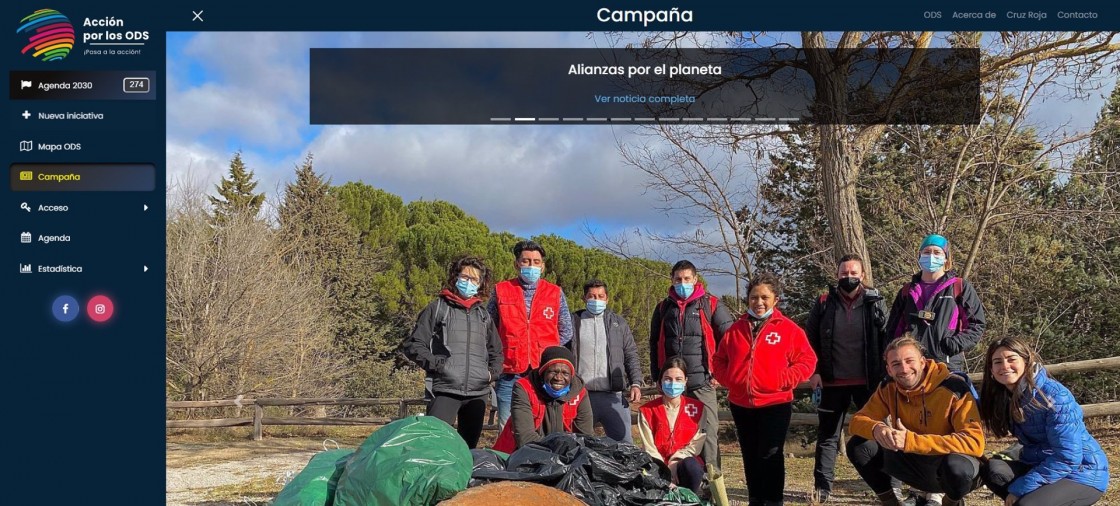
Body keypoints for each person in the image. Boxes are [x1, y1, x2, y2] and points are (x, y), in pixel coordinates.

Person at [713, 272, 817, 506]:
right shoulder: (735, 329)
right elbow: (719, 360)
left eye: (764, 297)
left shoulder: (788, 329)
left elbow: (807, 360)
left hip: (775, 403)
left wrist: (785, 378)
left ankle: (773, 500)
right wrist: (730, 379)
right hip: (741, 403)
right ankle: (755, 498)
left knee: (770, 454)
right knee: (750, 455)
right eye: (753, 297)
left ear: (775, 299)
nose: (758, 302)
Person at [846, 336, 985, 506]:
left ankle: (951, 502)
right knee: (859, 445)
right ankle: (891, 503)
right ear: (889, 370)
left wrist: (911, 440)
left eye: (909, 361)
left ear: (922, 362)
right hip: (913, 465)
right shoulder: (888, 387)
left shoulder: (954, 388)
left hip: (948, 468)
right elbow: (857, 421)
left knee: (956, 467)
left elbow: (974, 442)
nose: (904, 369)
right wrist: (877, 429)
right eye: (896, 364)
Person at [977, 337, 1109, 506]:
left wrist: (1020, 489)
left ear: (1026, 361)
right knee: (994, 470)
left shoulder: (1053, 395)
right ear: (991, 369)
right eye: (997, 362)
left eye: (1011, 359)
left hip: (1082, 472)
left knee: (1026, 504)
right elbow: (975, 405)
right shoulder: (1003, 395)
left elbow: (1068, 457)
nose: (1004, 366)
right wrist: (958, 381)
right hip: (1040, 463)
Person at [805, 254, 890, 502]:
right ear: (837, 275)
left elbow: (888, 339)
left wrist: (888, 375)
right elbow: (809, 341)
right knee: (828, 436)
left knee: (882, 432)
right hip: (832, 382)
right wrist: (815, 371)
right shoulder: (823, 303)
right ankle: (823, 488)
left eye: (854, 273)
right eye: (844, 273)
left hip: (869, 381)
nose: (849, 277)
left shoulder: (876, 302)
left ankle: (890, 484)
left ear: (863, 275)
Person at [402, 255, 503, 449]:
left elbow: (496, 352)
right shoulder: (438, 307)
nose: (468, 282)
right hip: (444, 390)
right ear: (455, 277)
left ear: (480, 283)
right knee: (434, 445)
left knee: (468, 449)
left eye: (474, 279)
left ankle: (465, 481)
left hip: (477, 393)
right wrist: (438, 366)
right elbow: (414, 345)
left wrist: (491, 374)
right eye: (464, 277)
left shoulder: (483, 315)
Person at [650, 260, 734, 466]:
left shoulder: (711, 304)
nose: (682, 283)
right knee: (674, 433)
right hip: (672, 383)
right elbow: (655, 343)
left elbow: (730, 340)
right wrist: (657, 376)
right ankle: (680, 482)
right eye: (678, 279)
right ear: (672, 280)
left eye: (687, 279)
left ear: (695, 279)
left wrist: (721, 373)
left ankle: (713, 484)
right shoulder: (663, 308)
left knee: (709, 433)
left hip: (702, 381)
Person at [488, 240, 573, 428]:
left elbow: (566, 329)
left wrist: (548, 351)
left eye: (536, 262)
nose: (531, 266)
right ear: (517, 264)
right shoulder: (500, 290)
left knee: (544, 425)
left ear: (542, 266)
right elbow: (488, 328)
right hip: (509, 372)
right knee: (508, 428)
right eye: (526, 261)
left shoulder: (555, 292)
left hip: (543, 373)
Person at [886, 234, 986, 373]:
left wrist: (952, 345)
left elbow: (977, 325)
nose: (931, 256)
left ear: (946, 258)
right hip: (911, 368)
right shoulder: (907, 291)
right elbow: (893, 331)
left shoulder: (959, 287)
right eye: (927, 252)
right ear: (920, 255)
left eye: (937, 252)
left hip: (947, 365)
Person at [568, 279, 643, 443]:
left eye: (600, 296)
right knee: (578, 444)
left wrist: (635, 382)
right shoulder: (572, 322)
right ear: (584, 298)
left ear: (607, 299)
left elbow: (631, 354)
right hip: (581, 396)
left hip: (613, 395)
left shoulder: (619, 324)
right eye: (592, 296)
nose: (596, 300)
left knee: (624, 445)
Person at [492, 346, 593, 452]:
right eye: (553, 372)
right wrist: (560, 452)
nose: (558, 378)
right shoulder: (524, 388)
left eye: (565, 373)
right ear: (543, 372)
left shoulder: (580, 393)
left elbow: (585, 436)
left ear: (572, 376)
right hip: (520, 453)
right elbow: (525, 438)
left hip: (565, 455)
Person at [638, 357, 708, 496]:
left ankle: (690, 498)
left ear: (685, 381)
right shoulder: (647, 411)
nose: (672, 383)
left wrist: (676, 460)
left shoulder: (697, 408)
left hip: (684, 463)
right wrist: (665, 469)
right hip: (657, 465)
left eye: (678, 379)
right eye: (668, 379)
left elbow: (697, 442)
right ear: (661, 381)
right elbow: (649, 446)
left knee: (692, 467)